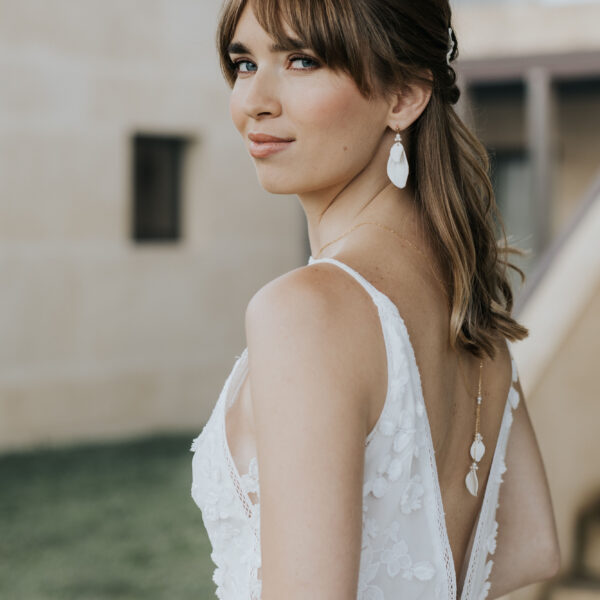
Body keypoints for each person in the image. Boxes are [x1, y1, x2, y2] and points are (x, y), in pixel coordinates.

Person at [190, 0, 561, 598]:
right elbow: (529, 547)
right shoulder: (466, 300)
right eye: (244, 63)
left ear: (403, 98)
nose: (254, 101)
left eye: (303, 61)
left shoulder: (304, 311)